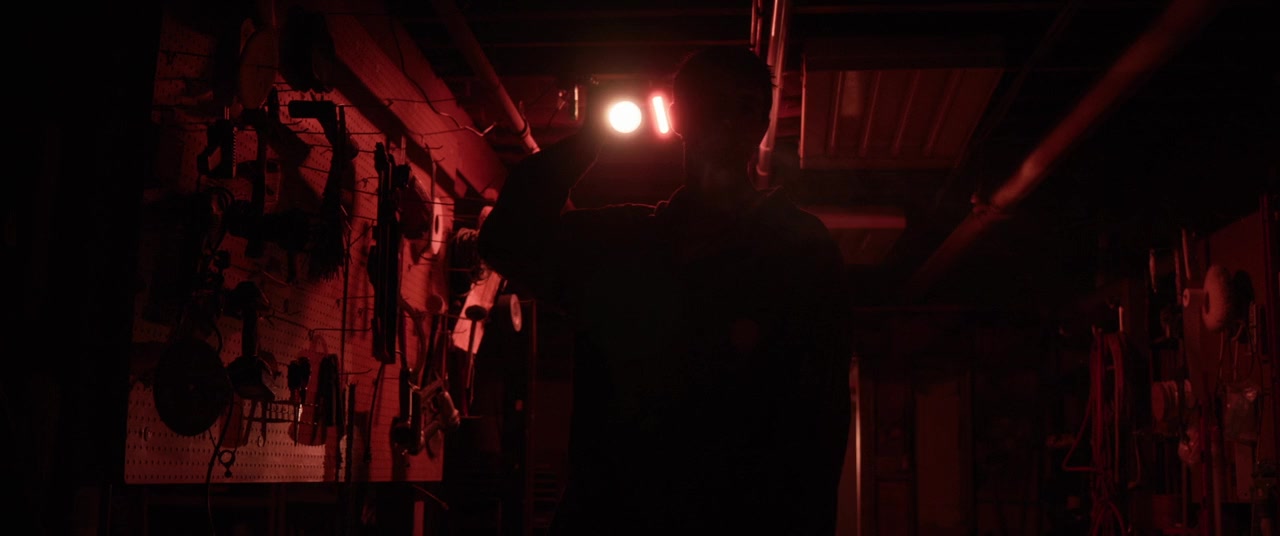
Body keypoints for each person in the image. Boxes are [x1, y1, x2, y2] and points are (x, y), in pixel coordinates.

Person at [478, 47, 851, 535]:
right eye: (710, 102)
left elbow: (823, 416)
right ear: (677, 118)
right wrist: (589, 141)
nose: (726, 119)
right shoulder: (621, 243)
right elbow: (507, 241)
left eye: (743, 105)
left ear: (762, 123)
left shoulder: (798, 249)